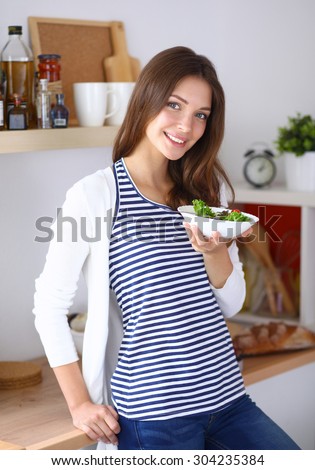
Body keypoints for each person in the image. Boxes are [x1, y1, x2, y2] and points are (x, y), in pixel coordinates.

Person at [33, 46, 300, 450]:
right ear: (146, 101)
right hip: (155, 416)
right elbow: (50, 306)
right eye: (174, 105)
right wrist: (80, 405)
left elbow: (232, 304)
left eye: (200, 115)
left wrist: (214, 252)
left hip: (228, 400)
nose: (186, 126)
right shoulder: (97, 195)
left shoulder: (207, 192)